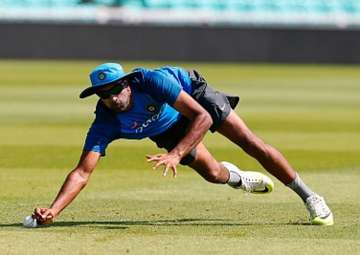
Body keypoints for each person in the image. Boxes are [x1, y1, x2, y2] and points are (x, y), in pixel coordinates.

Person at [33, 63, 333, 226]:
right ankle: (237, 178)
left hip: (195, 99)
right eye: (103, 94)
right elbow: (82, 172)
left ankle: (310, 198)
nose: (111, 98)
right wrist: (53, 210)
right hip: (167, 126)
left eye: (114, 90)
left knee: (250, 143)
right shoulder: (105, 122)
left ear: (127, 84)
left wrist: (176, 154)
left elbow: (200, 116)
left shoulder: (151, 82)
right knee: (214, 175)